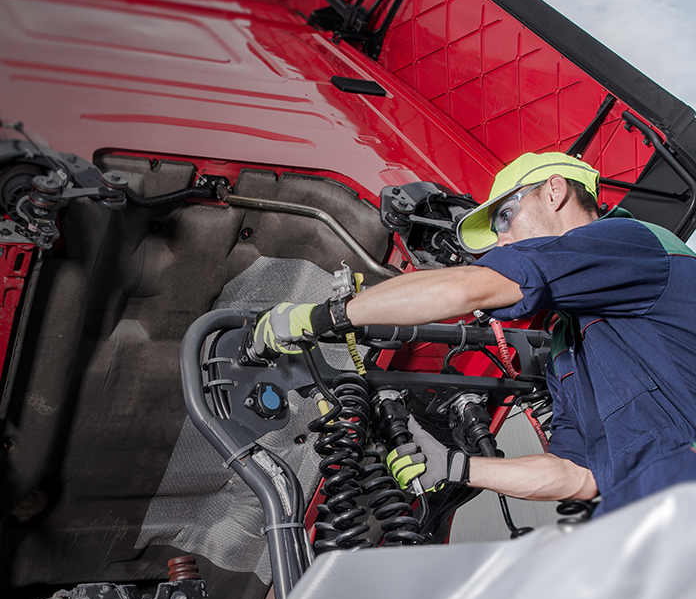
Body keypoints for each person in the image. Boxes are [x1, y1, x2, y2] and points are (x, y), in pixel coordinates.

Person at [255, 152, 696, 518]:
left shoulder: (629, 242)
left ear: (555, 191)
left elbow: (476, 285)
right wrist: (455, 466)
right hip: (648, 525)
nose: (502, 241)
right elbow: (577, 475)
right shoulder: (569, 342)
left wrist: (326, 315)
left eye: (506, 216)